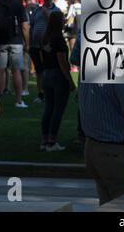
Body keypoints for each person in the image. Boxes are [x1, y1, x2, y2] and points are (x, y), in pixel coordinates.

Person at [0, 0, 30, 108]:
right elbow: (24, 26)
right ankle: (18, 100)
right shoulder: (18, 5)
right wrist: (27, 43)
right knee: (16, 71)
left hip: (0, 41)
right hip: (16, 41)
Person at [40, 11, 75, 152]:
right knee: (58, 110)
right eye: (62, 19)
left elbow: (42, 58)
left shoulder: (45, 37)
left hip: (47, 74)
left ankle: (44, 140)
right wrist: (70, 80)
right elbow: (62, 61)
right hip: (57, 75)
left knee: (48, 108)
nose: (64, 20)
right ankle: (52, 141)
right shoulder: (58, 39)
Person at [29, 0, 60, 104]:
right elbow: (31, 26)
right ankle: (41, 94)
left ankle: (50, 94)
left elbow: (57, 25)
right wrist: (29, 42)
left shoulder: (56, 11)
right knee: (39, 71)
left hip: (49, 46)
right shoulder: (36, 11)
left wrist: (47, 13)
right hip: (35, 45)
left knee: (49, 71)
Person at [64, 0, 81, 73]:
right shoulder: (82, 6)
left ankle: (74, 66)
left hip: (73, 30)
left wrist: (65, 24)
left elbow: (69, 18)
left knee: (72, 48)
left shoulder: (73, 6)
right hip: (81, 29)